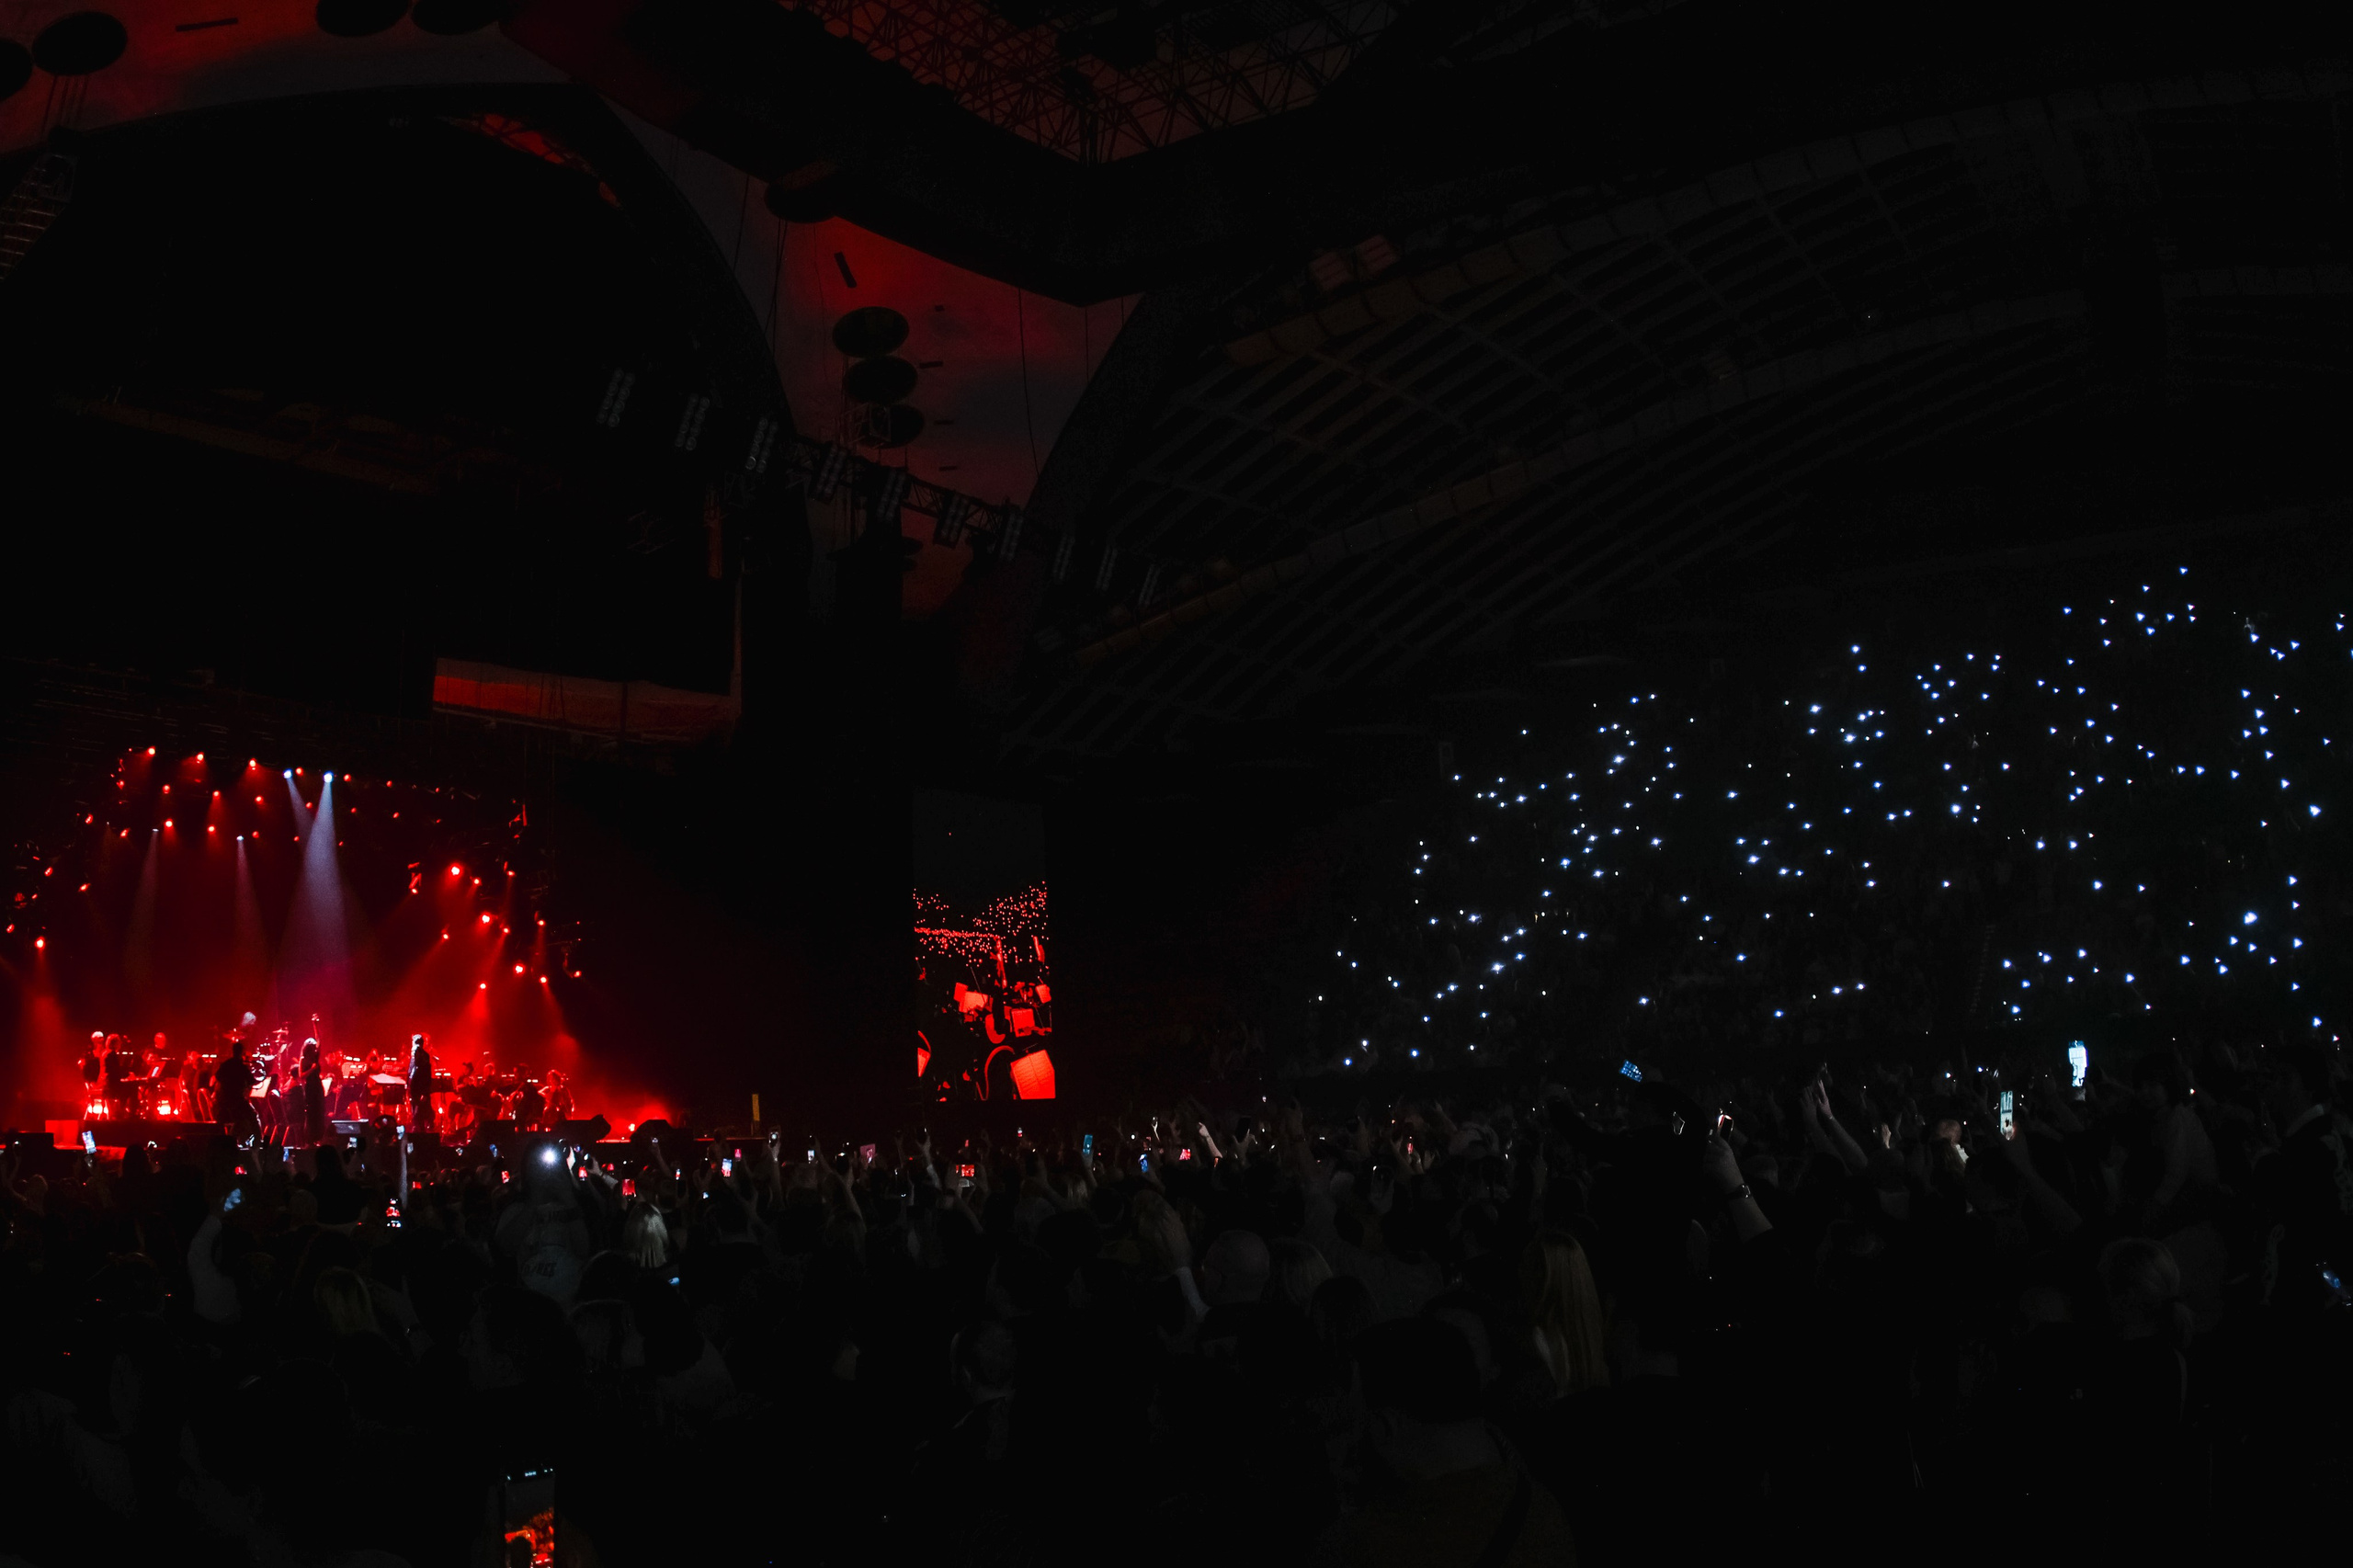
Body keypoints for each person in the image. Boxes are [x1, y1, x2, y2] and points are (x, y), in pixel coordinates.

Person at [213, 1037, 261, 1144]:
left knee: (239, 1120)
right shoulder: (241, 1066)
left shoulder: (226, 1064)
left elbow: (218, 1076)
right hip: (236, 1099)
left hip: (224, 1099)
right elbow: (252, 1081)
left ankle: (234, 1142)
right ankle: (257, 1143)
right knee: (252, 1116)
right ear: (242, 1052)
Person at [406, 1034, 437, 1134]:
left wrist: (424, 1092)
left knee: (420, 1112)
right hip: (414, 1089)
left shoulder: (424, 1057)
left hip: (420, 1089)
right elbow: (410, 1072)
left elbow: (426, 1076)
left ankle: (422, 1131)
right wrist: (408, 1084)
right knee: (414, 1110)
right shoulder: (413, 1057)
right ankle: (418, 1129)